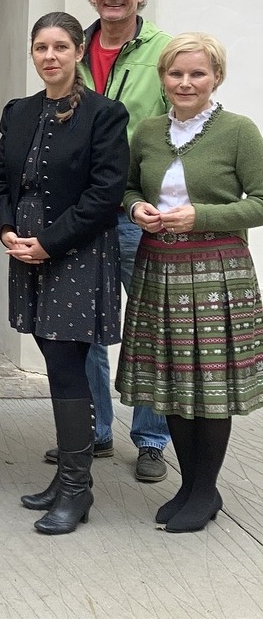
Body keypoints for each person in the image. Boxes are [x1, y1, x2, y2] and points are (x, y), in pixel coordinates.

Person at [0, 13, 129, 534]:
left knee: (68, 363)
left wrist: (49, 242)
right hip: (26, 250)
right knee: (53, 357)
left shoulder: (104, 114)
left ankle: (76, 489)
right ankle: (70, 476)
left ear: (78, 51)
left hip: (76, 250)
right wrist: (6, 229)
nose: (50, 56)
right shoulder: (19, 111)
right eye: (41, 47)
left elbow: (105, 194)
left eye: (61, 47)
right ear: (33, 53)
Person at [117, 34, 263, 532]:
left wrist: (202, 216)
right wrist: (136, 208)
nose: (185, 82)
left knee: (210, 382)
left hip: (217, 271)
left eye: (197, 73)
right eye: (175, 73)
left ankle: (205, 490)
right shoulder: (148, 131)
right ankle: (188, 486)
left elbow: (261, 201)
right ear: (163, 78)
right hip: (158, 267)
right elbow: (128, 187)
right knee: (173, 380)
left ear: (215, 77)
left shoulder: (239, 131)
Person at [52, 0, 172, 481]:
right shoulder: (74, 49)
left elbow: (178, 125)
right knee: (86, 323)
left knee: (149, 322)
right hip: (81, 210)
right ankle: (95, 431)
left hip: (135, 209)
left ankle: (151, 438)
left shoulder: (164, 50)